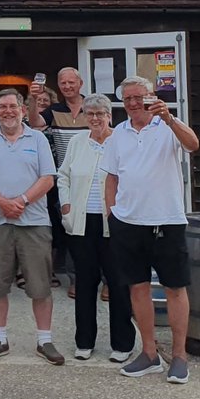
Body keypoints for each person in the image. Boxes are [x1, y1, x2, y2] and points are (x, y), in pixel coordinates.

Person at [102, 75, 200, 384]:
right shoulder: (118, 133)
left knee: (174, 287)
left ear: (151, 97)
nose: (132, 103)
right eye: (127, 98)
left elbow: (193, 144)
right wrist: (111, 214)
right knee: (137, 287)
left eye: (138, 97)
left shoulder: (168, 126)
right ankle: (149, 353)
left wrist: (170, 119)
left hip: (167, 220)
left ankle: (180, 356)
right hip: (128, 223)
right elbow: (111, 177)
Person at [0, 87, 63, 365]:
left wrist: (20, 201)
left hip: (33, 222)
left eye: (13, 106)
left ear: (23, 110)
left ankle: (44, 341)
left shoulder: (38, 139)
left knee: (40, 285)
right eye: (2, 108)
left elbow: (48, 178)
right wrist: (2, 203)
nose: (8, 112)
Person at [57, 93, 134, 362]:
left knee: (118, 283)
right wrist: (66, 205)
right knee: (85, 283)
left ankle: (123, 344)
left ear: (109, 116)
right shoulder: (78, 142)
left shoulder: (121, 141)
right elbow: (63, 176)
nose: (95, 118)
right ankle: (84, 342)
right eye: (90, 114)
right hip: (81, 223)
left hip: (114, 223)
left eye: (100, 113)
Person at [28, 67, 89, 293]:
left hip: (93, 178)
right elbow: (35, 123)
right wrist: (34, 99)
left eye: (71, 82)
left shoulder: (92, 106)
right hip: (66, 180)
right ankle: (75, 279)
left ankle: (98, 279)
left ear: (80, 83)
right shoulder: (55, 110)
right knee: (70, 229)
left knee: (95, 230)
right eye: (63, 83)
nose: (67, 86)